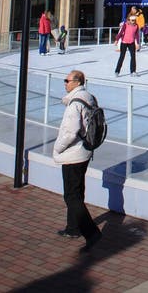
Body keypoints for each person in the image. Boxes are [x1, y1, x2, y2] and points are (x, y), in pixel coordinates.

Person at [52, 70, 102, 249]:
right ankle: (73, 228)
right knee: (78, 191)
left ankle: (92, 233)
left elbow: (70, 132)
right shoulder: (90, 97)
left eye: (67, 80)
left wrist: (57, 148)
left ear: (77, 82)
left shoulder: (75, 104)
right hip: (86, 151)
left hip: (74, 153)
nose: (65, 83)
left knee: (72, 195)